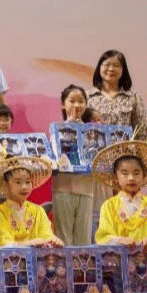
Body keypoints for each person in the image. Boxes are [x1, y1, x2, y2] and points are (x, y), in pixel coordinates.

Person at [92, 141, 147, 247]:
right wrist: (119, 240)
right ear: (116, 177)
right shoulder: (109, 206)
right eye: (124, 173)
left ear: (144, 176)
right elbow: (103, 237)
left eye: (136, 173)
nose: (131, 178)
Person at [52, 85, 98, 245]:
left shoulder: (93, 132)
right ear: (63, 104)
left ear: (86, 105)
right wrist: (69, 126)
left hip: (86, 189)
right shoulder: (56, 131)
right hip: (63, 189)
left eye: (81, 101)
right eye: (72, 101)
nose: (77, 105)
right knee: (63, 239)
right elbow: (56, 157)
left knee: (83, 240)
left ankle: (82, 263)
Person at [0, 156, 63, 248]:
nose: (24, 187)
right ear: (6, 185)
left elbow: (46, 236)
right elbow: (4, 245)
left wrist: (54, 241)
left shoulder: (38, 211)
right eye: (18, 182)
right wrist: (29, 243)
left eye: (28, 182)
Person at [87, 50, 147, 140]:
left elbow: (142, 131)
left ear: (123, 70)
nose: (111, 69)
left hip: (125, 148)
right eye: (107, 65)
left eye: (116, 65)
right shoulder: (87, 97)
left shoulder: (133, 97)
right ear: (99, 68)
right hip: (96, 148)